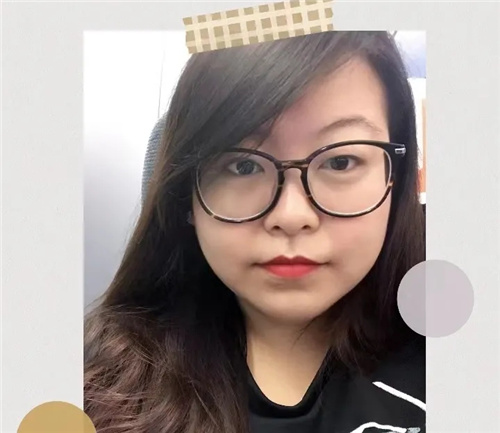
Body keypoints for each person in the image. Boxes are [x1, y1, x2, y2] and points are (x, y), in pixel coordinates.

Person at [84, 31, 426, 433]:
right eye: (243, 166)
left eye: (340, 162)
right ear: (186, 197)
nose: (292, 216)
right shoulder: (94, 386)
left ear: (395, 179)